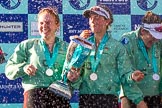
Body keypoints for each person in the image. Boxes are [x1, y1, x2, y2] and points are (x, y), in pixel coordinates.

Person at [63, 5, 147, 108]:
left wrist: (132, 76)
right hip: (86, 98)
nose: (93, 21)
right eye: (91, 18)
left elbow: (125, 74)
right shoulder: (82, 44)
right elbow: (73, 72)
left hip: (108, 99)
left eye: (97, 17)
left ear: (107, 21)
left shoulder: (117, 47)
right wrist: (73, 78)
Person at [5, 7, 71, 108]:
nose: (44, 26)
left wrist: (74, 77)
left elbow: (75, 74)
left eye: (48, 22)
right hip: (35, 96)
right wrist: (24, 67)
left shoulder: (67, 47)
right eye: (41, 23)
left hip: (60, 95)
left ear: (57, 25)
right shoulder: (27, 45)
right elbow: (9, 70)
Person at [120, 11, 162, 108]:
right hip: (132, 97)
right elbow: (123, 73)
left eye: (158, 37)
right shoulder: (127, 41)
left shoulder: (158, 41)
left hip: (155, 96)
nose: (156, 40)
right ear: (143, 31)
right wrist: (139, 101)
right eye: (153, 36)